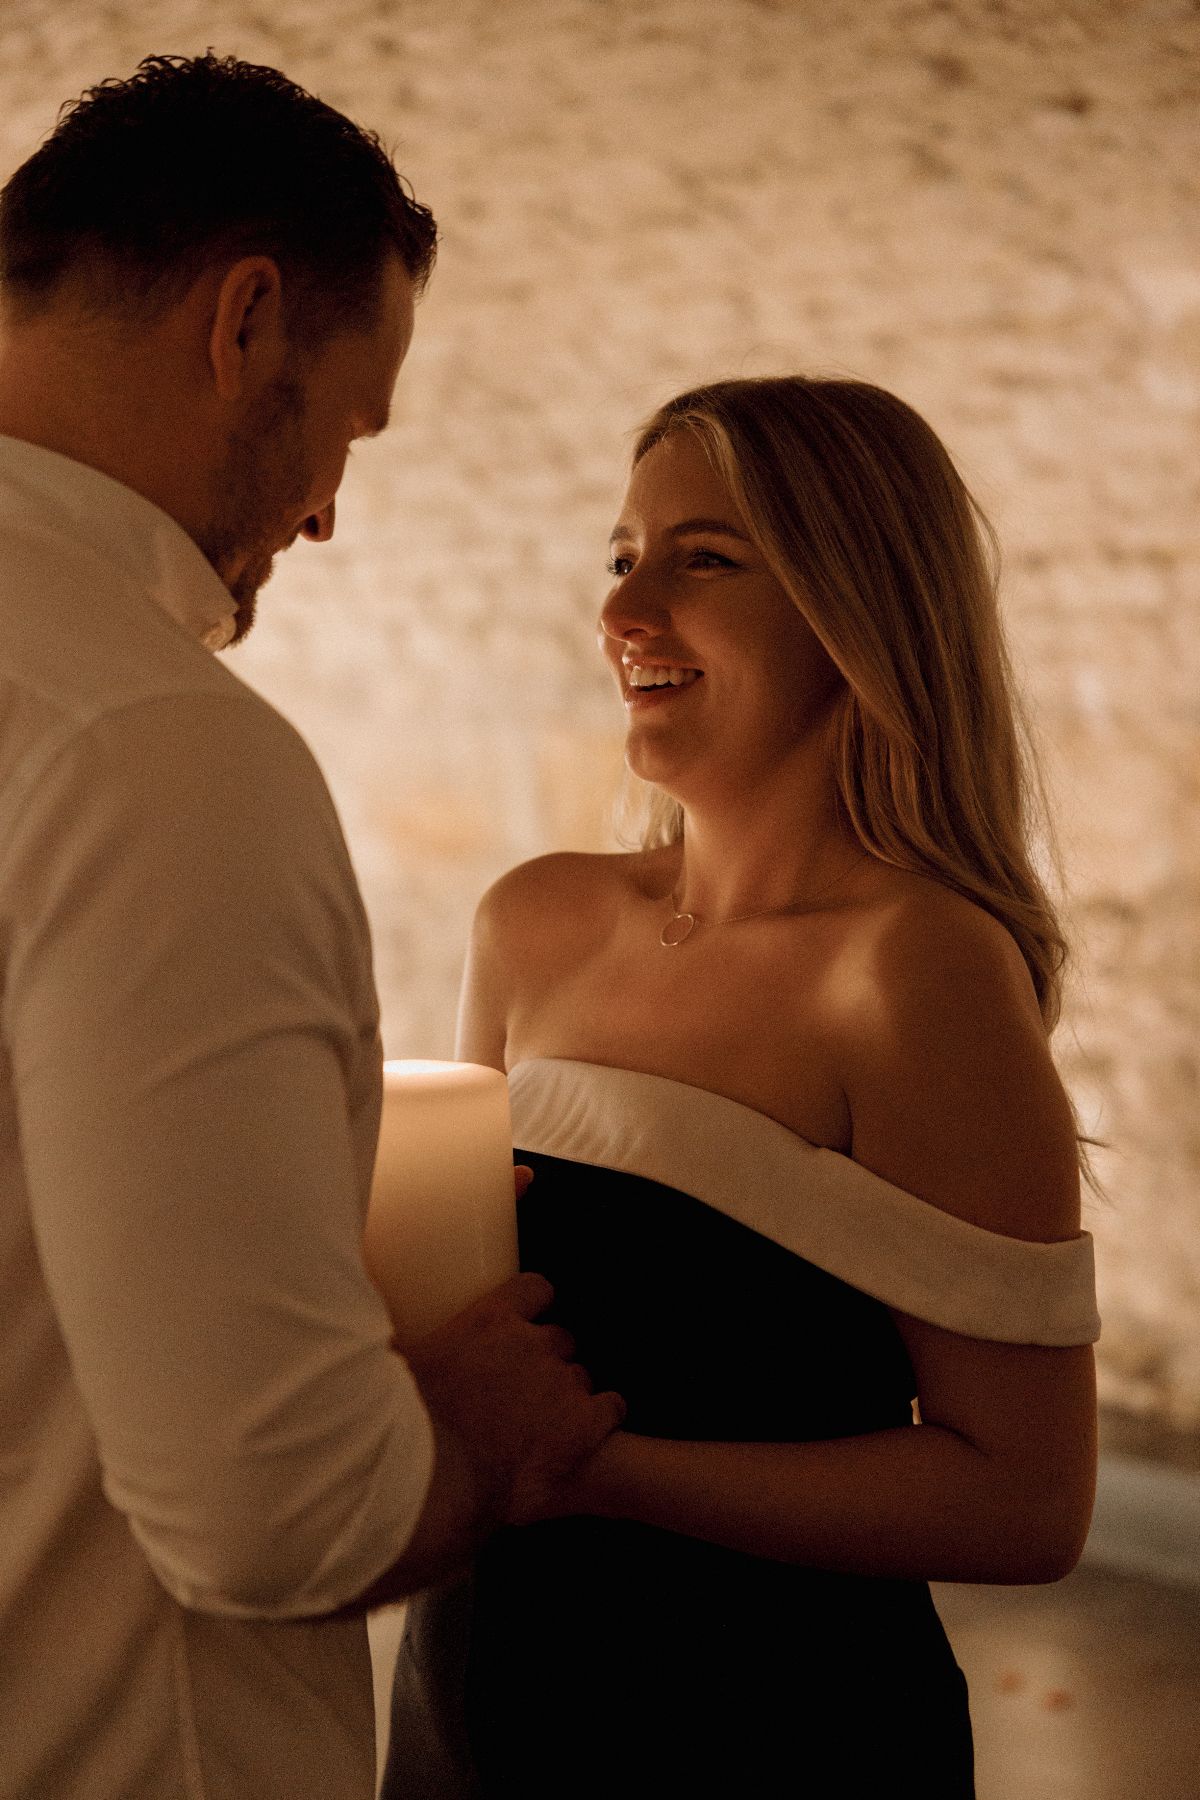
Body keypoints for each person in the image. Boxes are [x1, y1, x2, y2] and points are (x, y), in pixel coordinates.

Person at [0, 53, 622, 1800]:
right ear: (248, 320)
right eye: (350, 428)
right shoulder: (150, 746)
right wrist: (472, 1434)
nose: (331, 512)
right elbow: (274, 1511)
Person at [384, 376, 1101, 1798]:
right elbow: (462, 1305)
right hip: (475, 1689)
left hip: (765, 1725)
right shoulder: (530, 919)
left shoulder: (916, 969)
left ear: (857, 604)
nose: (627, 611)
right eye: (622, 556)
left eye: (703, 559)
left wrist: (597, 1470)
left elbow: (1026, 1500)